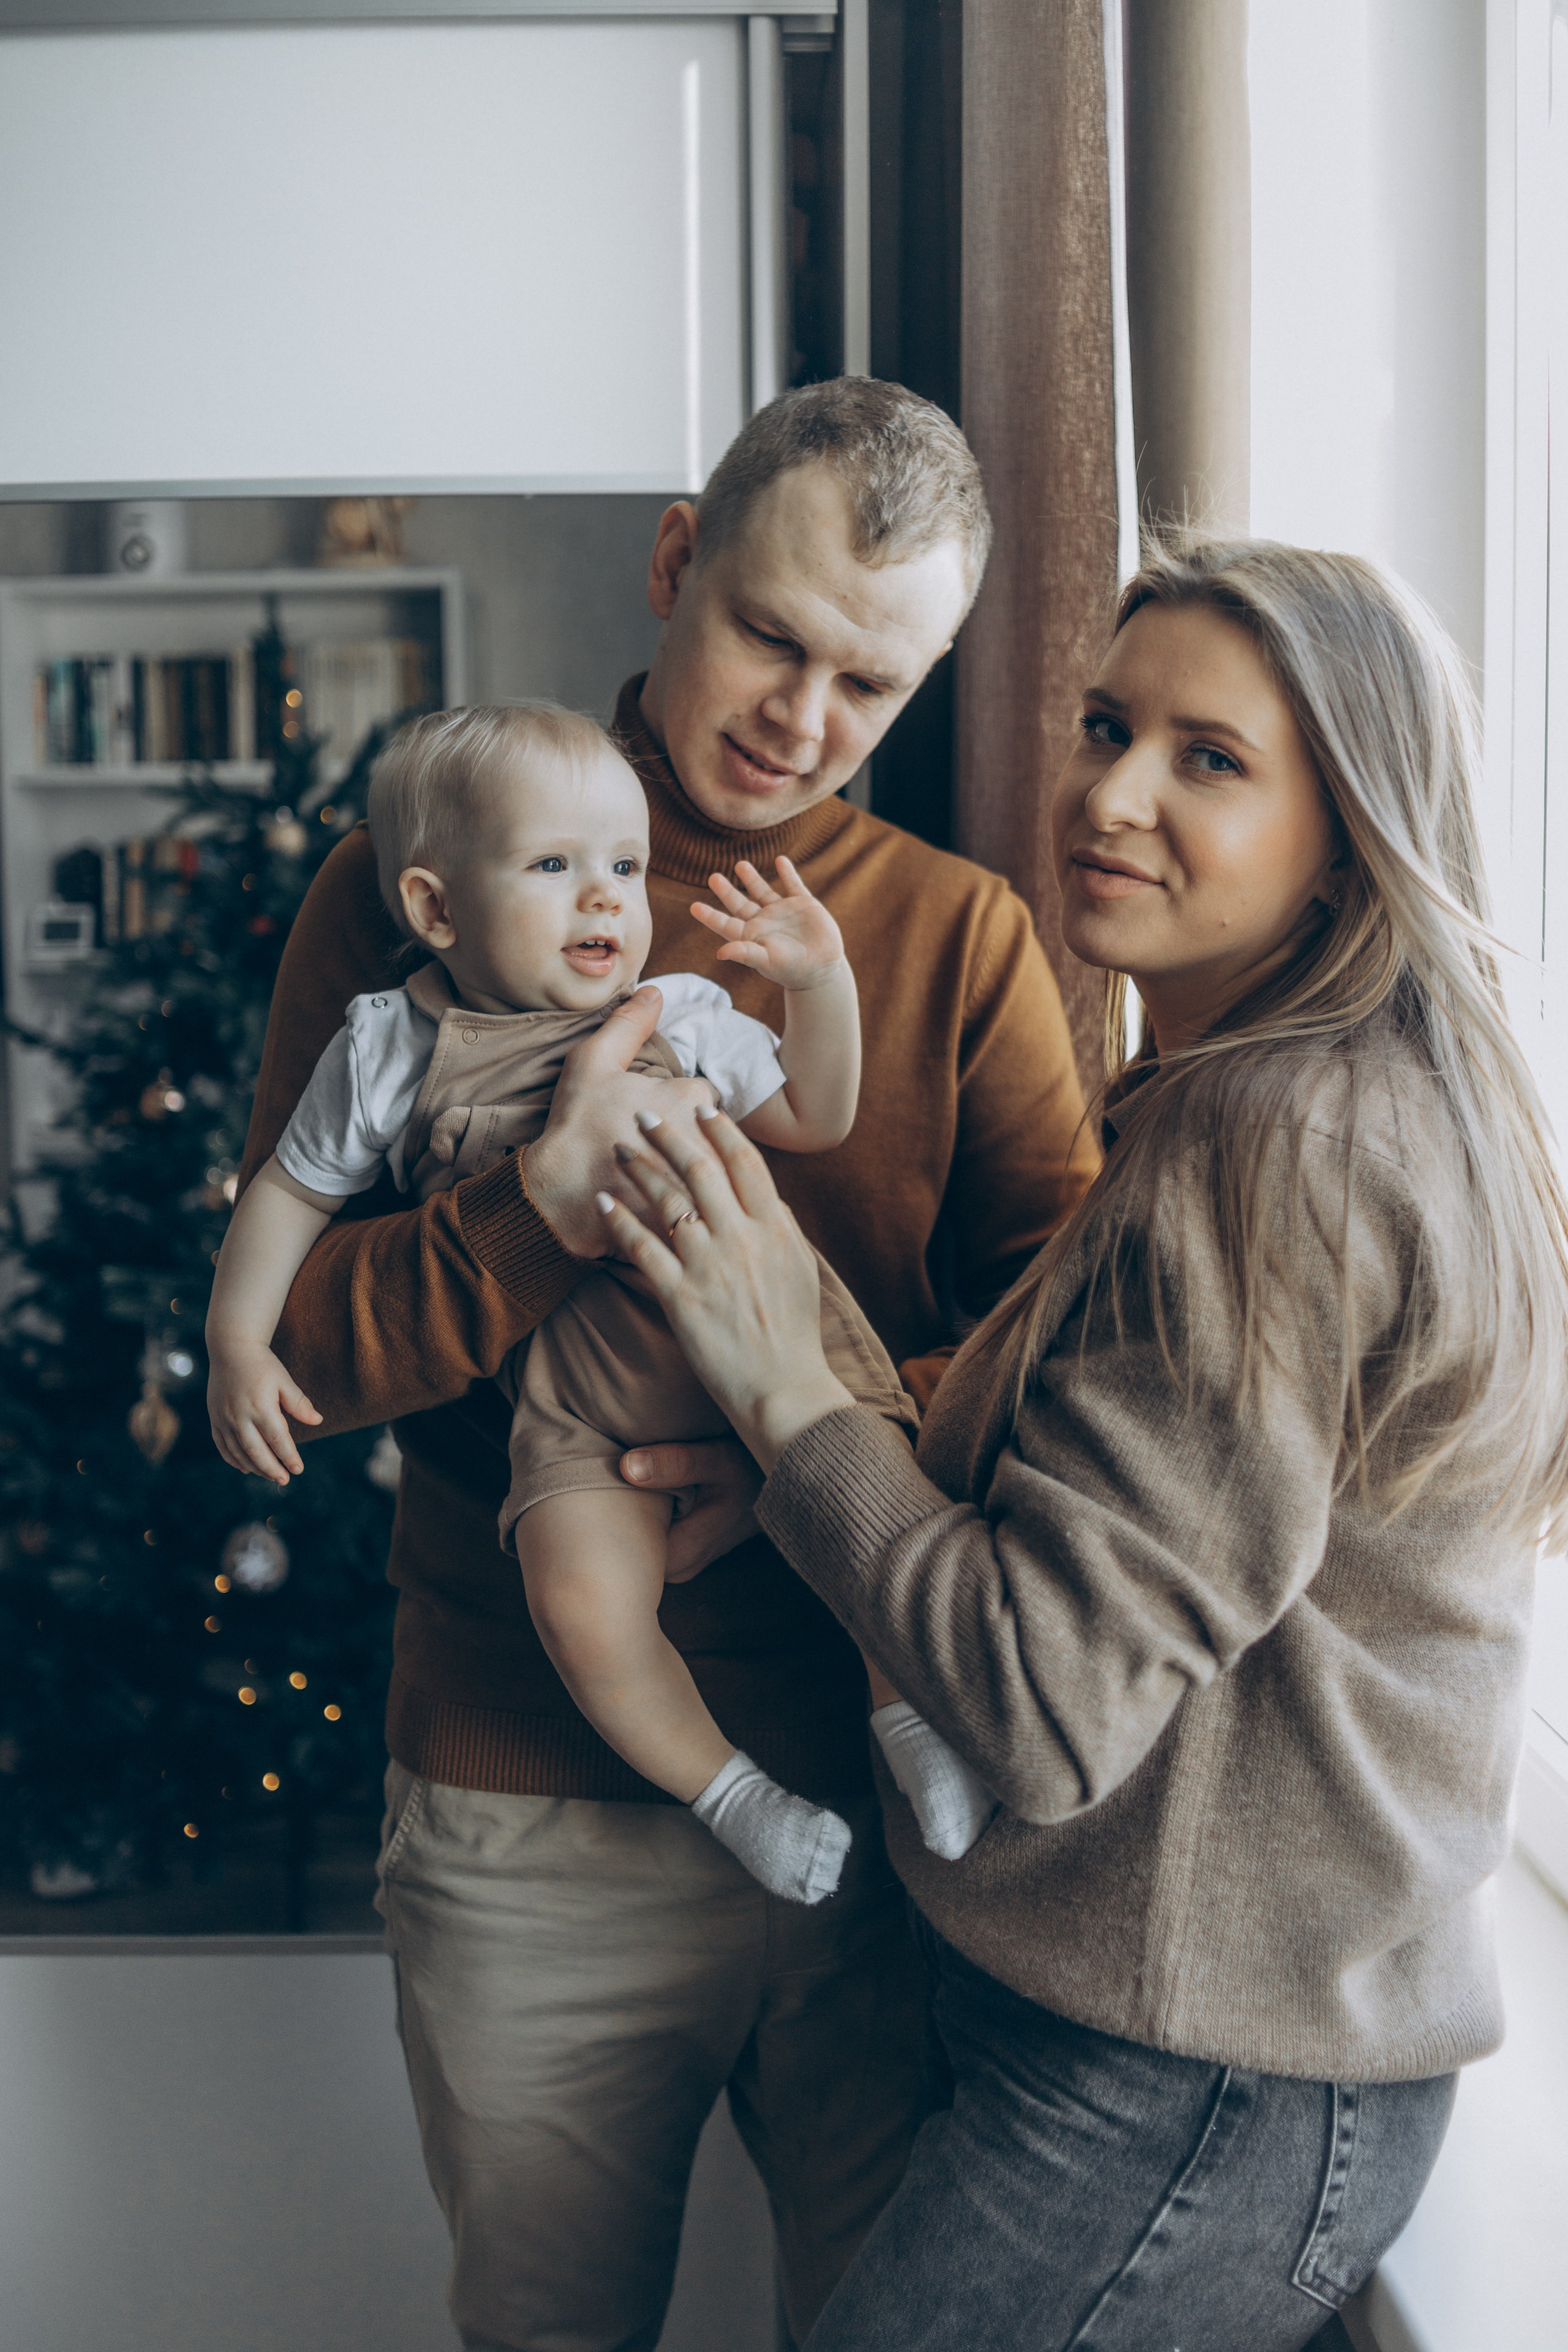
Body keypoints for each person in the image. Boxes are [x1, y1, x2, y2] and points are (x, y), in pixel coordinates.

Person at [597, 533, 1568, 2350]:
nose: (1111, 794)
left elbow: (1042, 1707)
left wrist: (789, 1393)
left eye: (1212, 759)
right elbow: (1137, 1504)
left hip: (1194, 2085)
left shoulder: (1291, 1150)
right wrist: (832, 1471)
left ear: (1348, 829)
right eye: (1110, 726)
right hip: (1173, 2035)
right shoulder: (1273, 1097)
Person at [236, 377, 1099, 2350]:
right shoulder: (417, 893)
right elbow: (290, 1343)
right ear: (673, 564)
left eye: (870, 686)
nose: (805, 719)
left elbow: (1072, 1369)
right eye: (772, 636)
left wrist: (826, 1447)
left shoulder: (960, 945)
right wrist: (542, 1206)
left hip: (898, 1819)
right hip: (520, 1807)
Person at [207, 701, 921, 1907]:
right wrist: (235, 1339)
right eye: (554, 866)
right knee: (579, 1605)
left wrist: (822, 983)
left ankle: (911, 1723)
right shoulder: (391, 1047)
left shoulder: (680, 1014)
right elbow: (286, 1192)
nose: (606, 900)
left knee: (868, 1516)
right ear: (435, 909)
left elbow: (813, 1112)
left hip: (767, 1347)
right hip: (580, 1404)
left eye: (626, 868)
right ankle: (732, 1793)